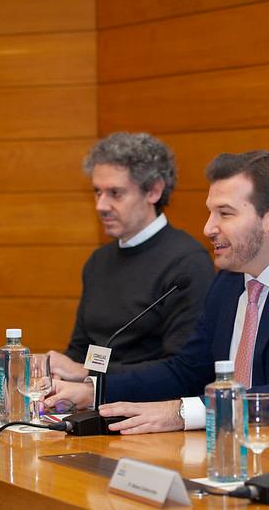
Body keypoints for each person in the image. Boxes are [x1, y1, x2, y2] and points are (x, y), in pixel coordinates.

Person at [45, 150, 269, 437]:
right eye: (211, 212)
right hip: (236, 447)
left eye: (224, 213)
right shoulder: (228, 281)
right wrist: (96, 390)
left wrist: (183, 413)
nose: (208, 228)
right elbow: (186, 371)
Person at [48, 132, 214, 379]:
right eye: (97, 192)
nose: (101, 206)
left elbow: (182, 370)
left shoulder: (188, 264)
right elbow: (80, 350)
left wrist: (86, 375)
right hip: (89, 401)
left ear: (153, 192)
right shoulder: (98, 261)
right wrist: (56, 373)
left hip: (147, 410)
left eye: (115, 193)